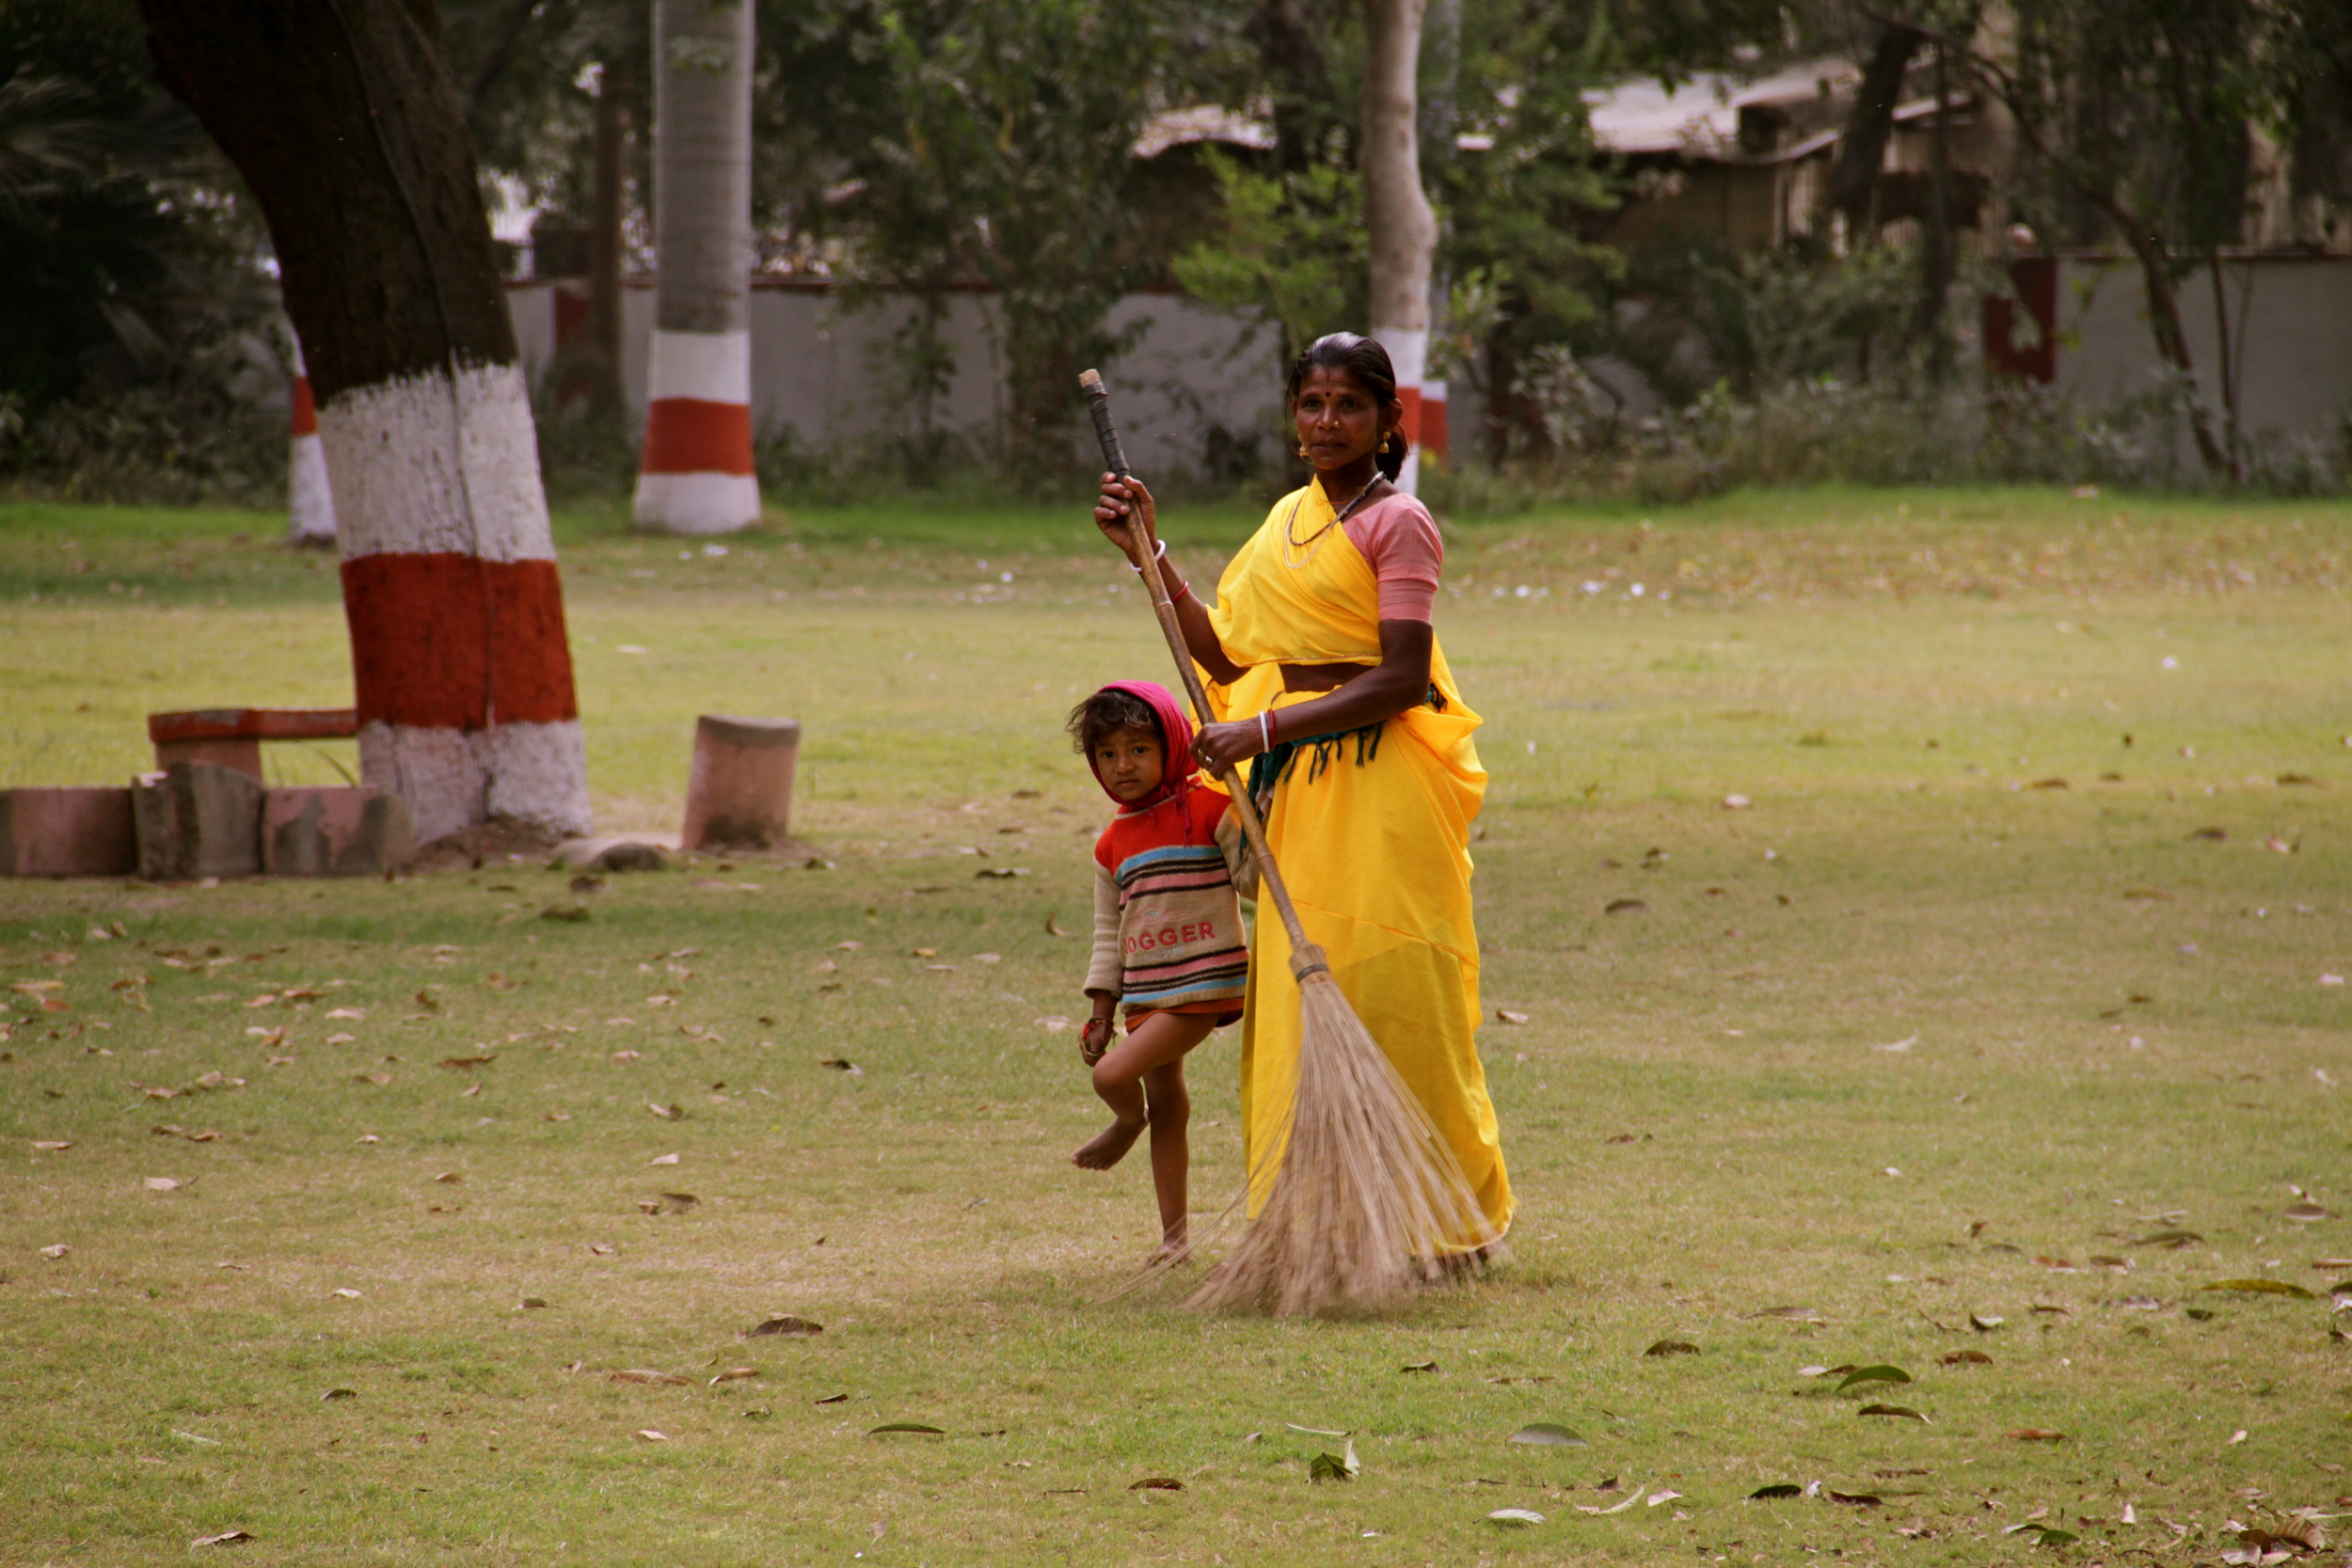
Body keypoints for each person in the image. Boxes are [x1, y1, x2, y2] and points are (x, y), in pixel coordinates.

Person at [1091, 331, 1512, 1252]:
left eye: (1348, 406)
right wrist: (1147, 548)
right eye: (1311, 405)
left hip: (1385, 787)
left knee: (1393, 987)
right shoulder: (1286, 521)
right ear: (1293, 417)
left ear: (1386, 421)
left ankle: (1441, 1229)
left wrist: (1264, 729)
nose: (1327, 422)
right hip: (1304, 799)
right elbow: (1226, 650)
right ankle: (1320, 1228)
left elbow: (1401, 676)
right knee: (1299, 995)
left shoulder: (1397, 522)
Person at [1066, 679, 1249, 1260]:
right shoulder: (1112, 844)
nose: (1124, 765)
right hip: (1146, 991)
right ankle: (1175, 1241)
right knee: (1169, 1105)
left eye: (1139, 749)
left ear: (1172, 745)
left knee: (1110, 1080)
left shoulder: (1211, 810)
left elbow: (1251, 882)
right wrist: (1101, 1012)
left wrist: (1256, 815)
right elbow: (1107, 935)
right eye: (1108, 754)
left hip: (1205, 984)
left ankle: (1125, 1125)